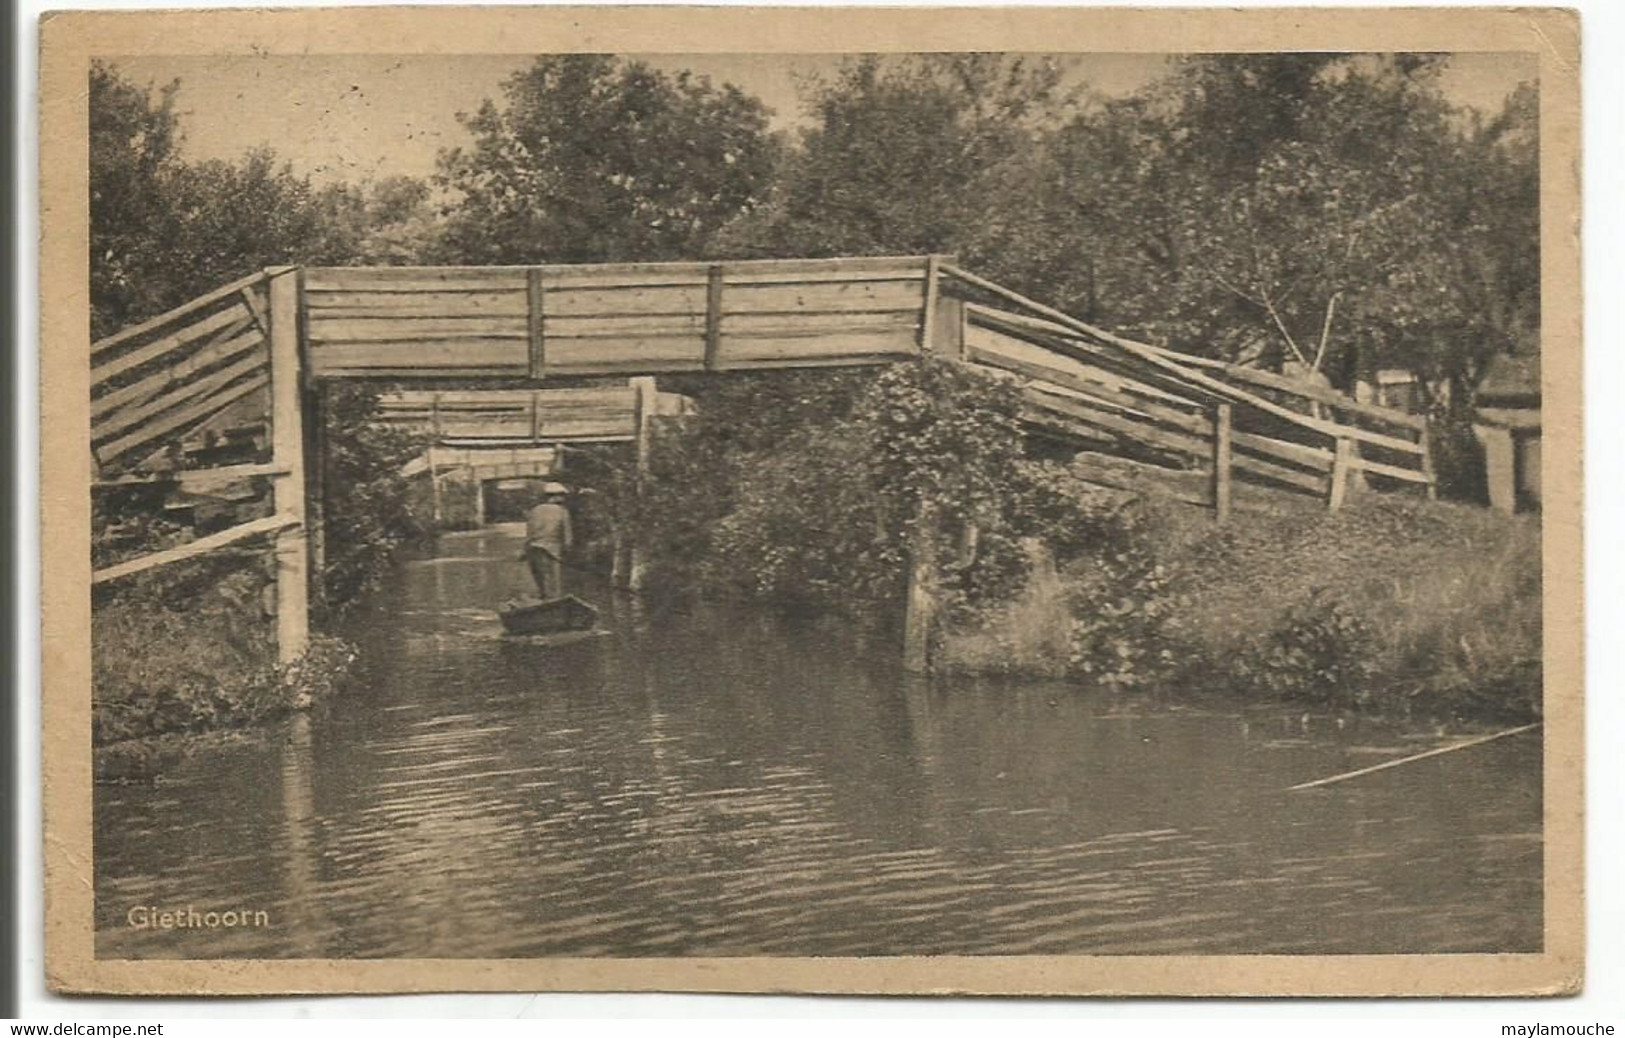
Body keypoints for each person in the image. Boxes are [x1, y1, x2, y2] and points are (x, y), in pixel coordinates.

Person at [522, 483, 573, 600]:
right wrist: (568, 552)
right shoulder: (562, 511)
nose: (564, 498)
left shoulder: (535, 510)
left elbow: (529, 533)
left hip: (533, 548)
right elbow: (568, 537)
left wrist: (525, 550)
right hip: (552, 550)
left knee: (540, 581)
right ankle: (554, 605)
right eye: (562, 495)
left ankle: (543, 601)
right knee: (554, 583)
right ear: (556, 496)